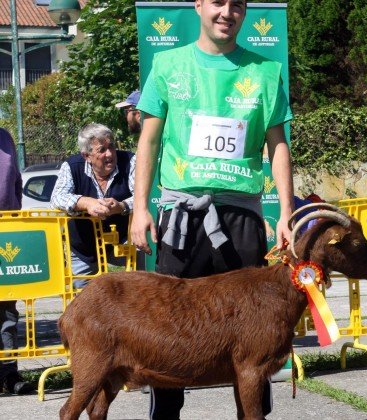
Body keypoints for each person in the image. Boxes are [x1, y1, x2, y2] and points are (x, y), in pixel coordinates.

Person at [130, 0, 295, 418]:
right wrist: (140, 207)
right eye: (218, 2)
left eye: (237, 4)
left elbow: (277, 146)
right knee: (168, 332)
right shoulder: (167, 64)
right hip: (180, 219)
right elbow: (148, 141)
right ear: (199, 5)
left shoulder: (266, 71)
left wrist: (288, 211)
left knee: (253, 337)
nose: (227, 12)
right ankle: (165, 414)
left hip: (240, 218)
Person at [50, 123, 143, 287]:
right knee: (81, 298)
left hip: (125, 242)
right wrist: (85, 203)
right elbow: (56, 198)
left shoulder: (130, 161)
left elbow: (143, 196)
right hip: (83, 247)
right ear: (86, 156)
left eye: (112, 147)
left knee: (145, 284)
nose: (110, 154)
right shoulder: (72, 166)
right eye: (102, 150)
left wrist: (122, 206)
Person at [0, 128, 33, 395]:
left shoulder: (5, 138)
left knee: (8, 312)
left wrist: (13, 218)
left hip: (5, 233)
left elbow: (16, 184)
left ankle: (10, 373)